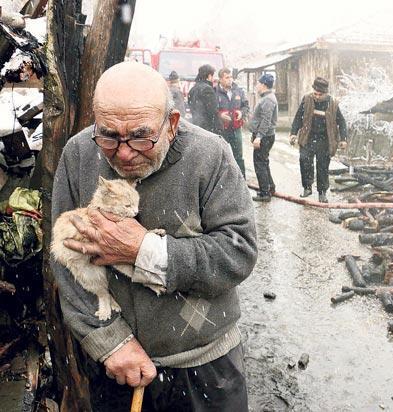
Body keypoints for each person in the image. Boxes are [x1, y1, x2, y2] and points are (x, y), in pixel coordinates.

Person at [51, 61, 257, 411]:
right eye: (109, 136)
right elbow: (64, 260)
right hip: (116, 369)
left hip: (204, 367)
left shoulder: (210, 155)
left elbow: (238, 252)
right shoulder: (79, 154)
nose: (125, 152)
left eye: (141, 136)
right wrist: (110, 343)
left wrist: (143, 250)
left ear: (172, 124)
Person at [290, 76, 348, 203]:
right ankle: (307, 187)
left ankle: (322, 192)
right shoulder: (307, 99)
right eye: (315, 93)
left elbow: (342, 122)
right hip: (308, 138)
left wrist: (343, 139)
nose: (316, 96)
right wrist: (293, 133)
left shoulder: (332, 103)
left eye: (319, 94)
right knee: (304, 160)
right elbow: (298, 117)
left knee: (322, 167)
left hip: (325, 140)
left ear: (325, 93)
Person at [248, 73, 278, 202]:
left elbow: (266, 120)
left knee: (260, 164)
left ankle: (265, 193)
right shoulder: (267, 97)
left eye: (258, 83)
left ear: (264, 85)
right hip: (265, 135)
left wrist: (259, 137)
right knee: (264, 162)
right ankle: (270, 187)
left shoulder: (268, 100)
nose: (256, 86)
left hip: (264, 136)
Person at [215, 68, 249, 177]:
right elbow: (211, 110)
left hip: (236, 129)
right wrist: (219, 115)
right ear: (220, 79)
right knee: (222, 156)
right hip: (221, 130)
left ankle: (241, 180)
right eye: (227, 77)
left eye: (231, 77)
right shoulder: (214, 92)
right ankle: (224, 180)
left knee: (238, 156)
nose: (230, 80)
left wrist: (241, 112)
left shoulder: (238, 91)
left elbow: (246, 106)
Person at [188, 64, 221, 134]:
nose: (213, 79)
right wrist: (219, 128)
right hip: (207, 129)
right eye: (213, 76)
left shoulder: (193, 89)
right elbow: (212, 111)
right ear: (209, 76)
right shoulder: (207, 89)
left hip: (195, 126)